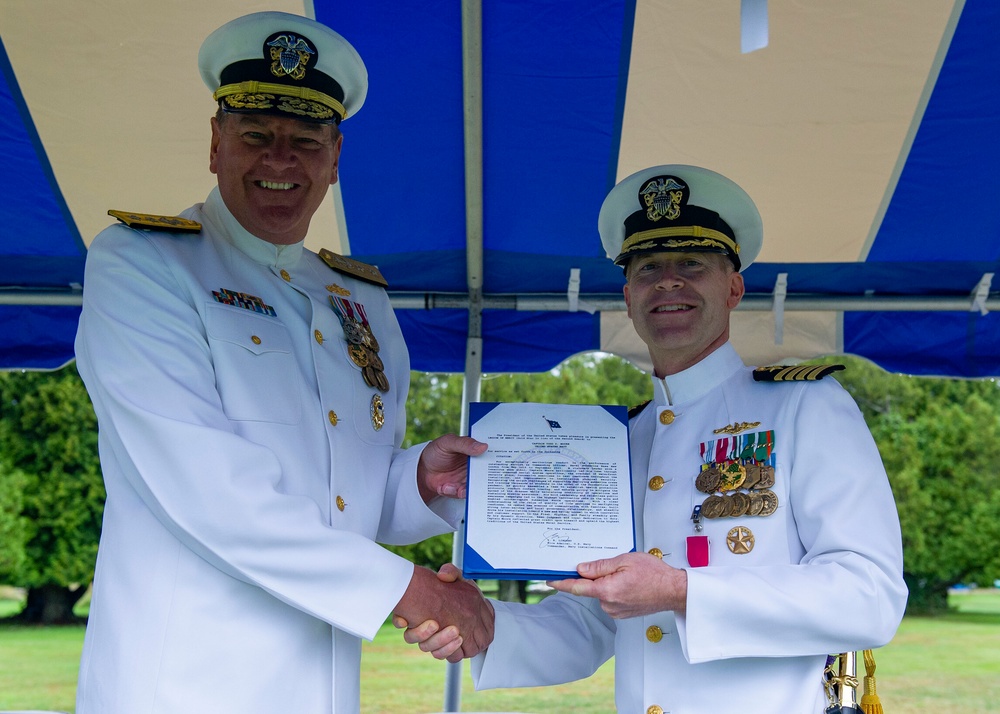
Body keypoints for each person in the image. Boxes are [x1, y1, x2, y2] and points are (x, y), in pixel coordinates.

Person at [73, 11, 492, 714]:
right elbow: (207, 486)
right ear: (215, 143)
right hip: (181, 688)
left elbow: (347, 498)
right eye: (256, 136)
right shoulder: (143, 264)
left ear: (334, 160)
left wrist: (418, 478)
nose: (280, 160)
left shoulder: (358, 299)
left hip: (321, 687)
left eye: (305, 141)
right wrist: (404, 588)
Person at [402, 165, 908, 713]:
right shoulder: (619, 441)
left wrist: (682, 590)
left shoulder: (803, 405)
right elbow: (598, 620)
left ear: (734, 288)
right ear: (628, 295)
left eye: (692, 263)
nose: (669, 281)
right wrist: (484, 623)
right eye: (648, 267)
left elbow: (870, 595)